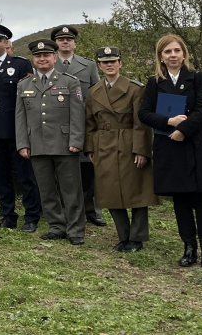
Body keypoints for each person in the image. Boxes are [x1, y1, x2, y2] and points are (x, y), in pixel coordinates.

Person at [138, 34, 202, 268]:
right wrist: (169, 122)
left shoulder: (197, 77)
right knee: (181, 201)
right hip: (168, 148)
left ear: (184, 53)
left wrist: (183, 129)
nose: (173, 55)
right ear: (160, 57)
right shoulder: (154, 82)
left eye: (176, 51)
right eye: (167, 52)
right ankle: (189, 247)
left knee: (201, 199)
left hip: (195, 146)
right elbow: (144, 113)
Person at [85, 46, 156, 252]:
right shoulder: (93, 92)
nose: (109, 65)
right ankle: (123, 236)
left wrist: (141, 150)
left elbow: (140, 123)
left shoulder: (135, 89)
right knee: (110, 192)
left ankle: (137, 238)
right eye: (104, 62)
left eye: (113, 61)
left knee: (137, 191)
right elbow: (89, 123)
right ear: (99, 66)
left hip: (128, 142)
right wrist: (90, 148)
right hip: (104, 144)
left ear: (120, 64)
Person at [15, 39, 86, 245]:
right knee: (46, 190)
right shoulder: (24, 84)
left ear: (54, 57)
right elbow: (20, 117)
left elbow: (78, 115)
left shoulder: (70, 82)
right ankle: (57, 225)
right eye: (38, 56)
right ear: (33, 59)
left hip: (65, 144)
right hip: (37, 143)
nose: (42, 59)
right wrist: (22, 143)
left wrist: (76, 141)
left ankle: (75, 230)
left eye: (46, 55)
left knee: (71, 190)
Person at [0, 23, 41, 232]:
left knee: (25, 175)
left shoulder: (20, 65)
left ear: (6, 43)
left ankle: (31, 216)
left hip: (16, 131)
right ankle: (7, 214)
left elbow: (29, 100)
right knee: (0, 175)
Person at [51, 24, 106, 227]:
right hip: (56, 126)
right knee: (61, 170)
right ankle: (66, 210)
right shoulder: (47, 64)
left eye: (69, 39)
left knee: (88, 169)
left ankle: (92, 210)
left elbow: (96, 96)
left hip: (82, 124)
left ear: (74, 43)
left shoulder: (89, 66)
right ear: (55, 43)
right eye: (61, 39)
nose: (65, 42)